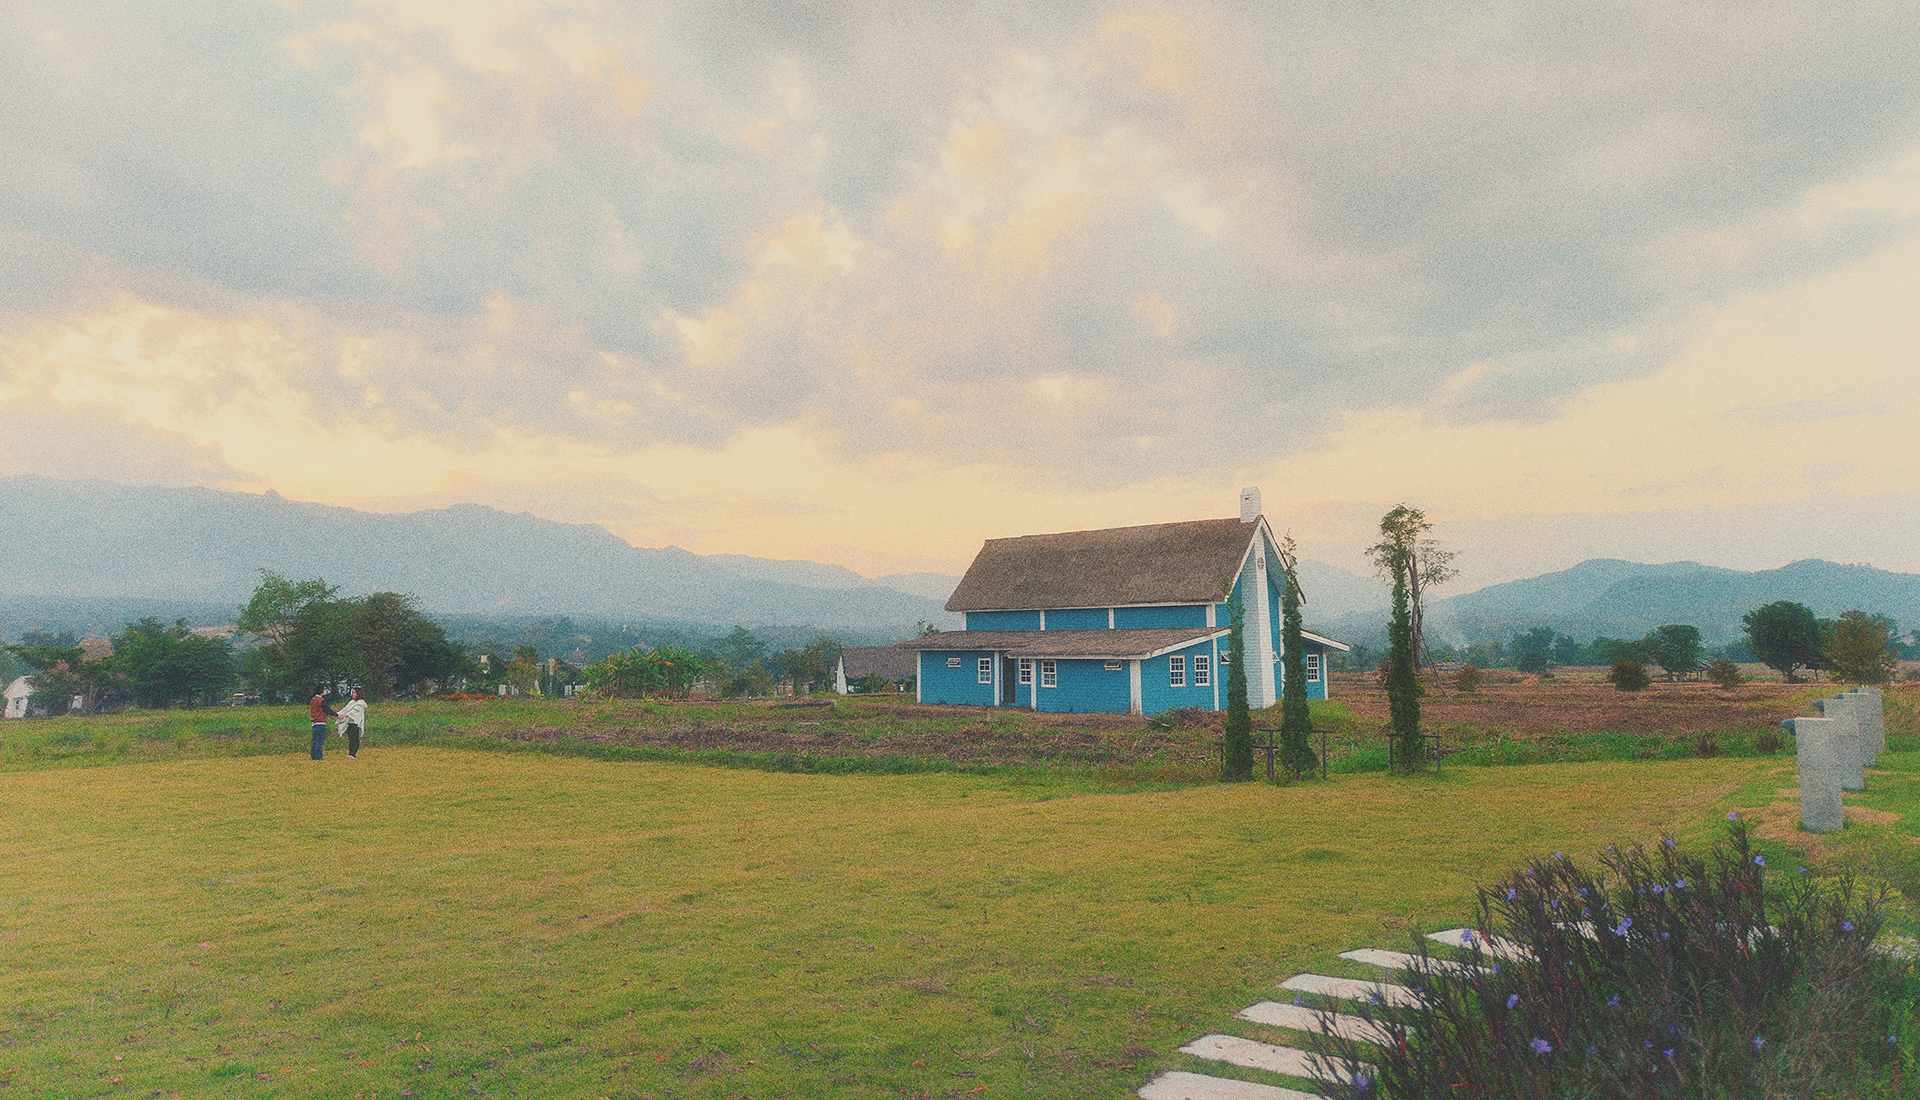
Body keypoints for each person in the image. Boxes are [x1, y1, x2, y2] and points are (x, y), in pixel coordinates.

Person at [336, 687, 368, 759]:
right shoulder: (352, 702)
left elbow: (354, 712)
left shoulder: (361, 703)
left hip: (356, 723)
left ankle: (353, 754)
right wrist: (337, 714)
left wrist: (345, 716)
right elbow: (345, 709)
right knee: (351, 739)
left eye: (354, 693)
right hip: (350, 723)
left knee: (355, 739)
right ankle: (350, 753)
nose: (352, 694)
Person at [309, 689, 338, 760]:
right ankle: (318, 756)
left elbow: (320, 710)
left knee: (314, 740)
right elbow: (327, 709)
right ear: (322, 691)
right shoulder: (321, 700)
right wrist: (336, 714)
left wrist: (328, 714)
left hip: (314, 722)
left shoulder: (313, 700)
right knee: (320, 740)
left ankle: (313, 755)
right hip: (320, 722)